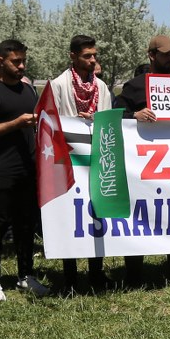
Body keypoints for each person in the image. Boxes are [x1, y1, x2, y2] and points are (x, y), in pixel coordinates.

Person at [0, 39, 50, 302]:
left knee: (26, 224)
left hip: (27, 169)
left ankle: (25, 275)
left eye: (23, 61)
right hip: (0, 169)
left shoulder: (29, 91)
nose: (20, 66)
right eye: (15, 61)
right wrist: (15, 124)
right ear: (1, 61)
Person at [49, 35, 115, 293]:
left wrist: (97, 120)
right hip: (68, 159)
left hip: (97, 158)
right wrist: (74, 121)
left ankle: (96, 272)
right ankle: (70, 277)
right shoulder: (58, 85)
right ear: (73, 56)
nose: (93, 60)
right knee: (70, 213)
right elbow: (50, 122)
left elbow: (109, 120)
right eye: (87, 56)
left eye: (94, 55)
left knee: (96, 212)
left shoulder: (102, 87)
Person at [114, 34, 170, 117]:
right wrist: (135, 115)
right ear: (152, 55)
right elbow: (117, 115)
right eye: (165, 55)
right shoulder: (134, 86)